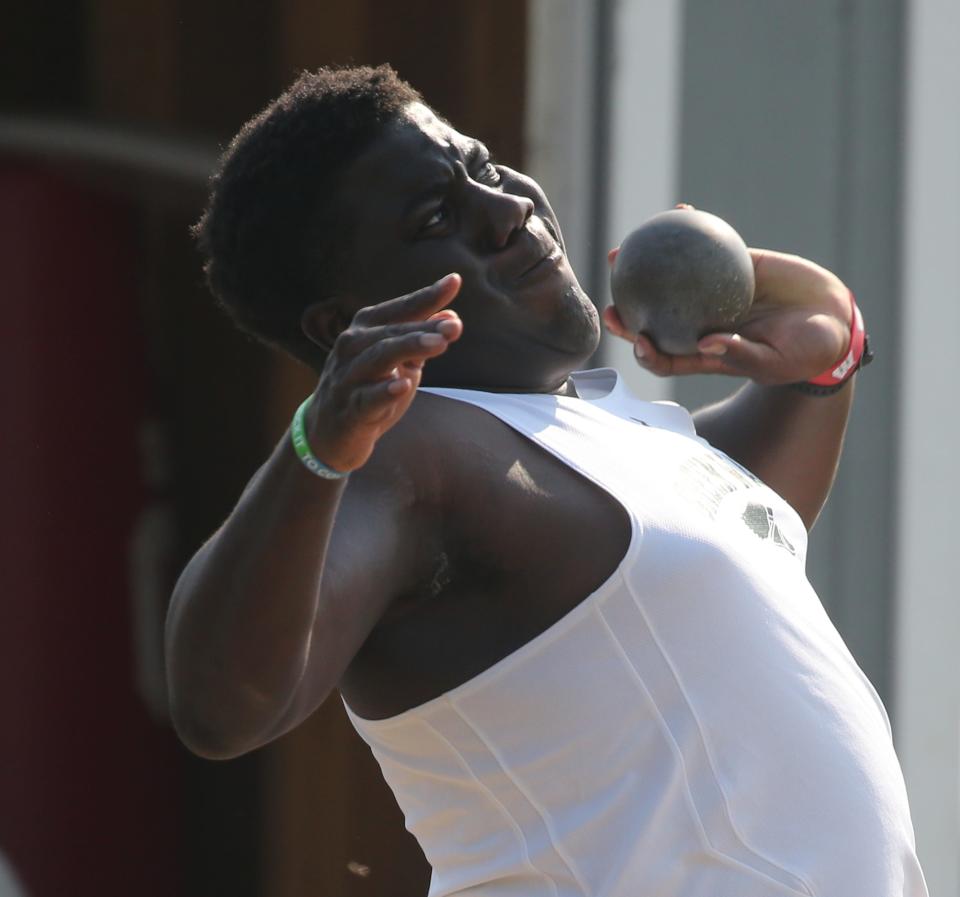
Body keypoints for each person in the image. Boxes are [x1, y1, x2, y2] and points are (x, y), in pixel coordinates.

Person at [165, 65, 927, 896]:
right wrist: (318, 443)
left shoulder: (605, 432)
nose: (505, 210)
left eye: (483, 168)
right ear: (347, 322)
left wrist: (830, 352)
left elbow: (751, 527)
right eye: (435, 218)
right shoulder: (412, 451)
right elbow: (223, 705)